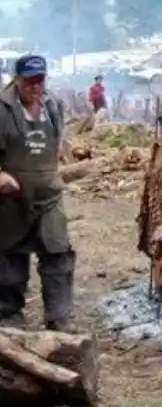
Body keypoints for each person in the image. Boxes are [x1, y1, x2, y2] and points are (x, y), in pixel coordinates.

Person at [0, 55, 75, 330]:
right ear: (17, 79)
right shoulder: (2, 108)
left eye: (39, 80)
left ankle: (59, 317)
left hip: (49, 196)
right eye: (29, 80)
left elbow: (56, 144)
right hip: (11, 199)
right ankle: (9, 316)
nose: (35, 86)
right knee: (9, 256)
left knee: (58, 252)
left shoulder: (52, 104)